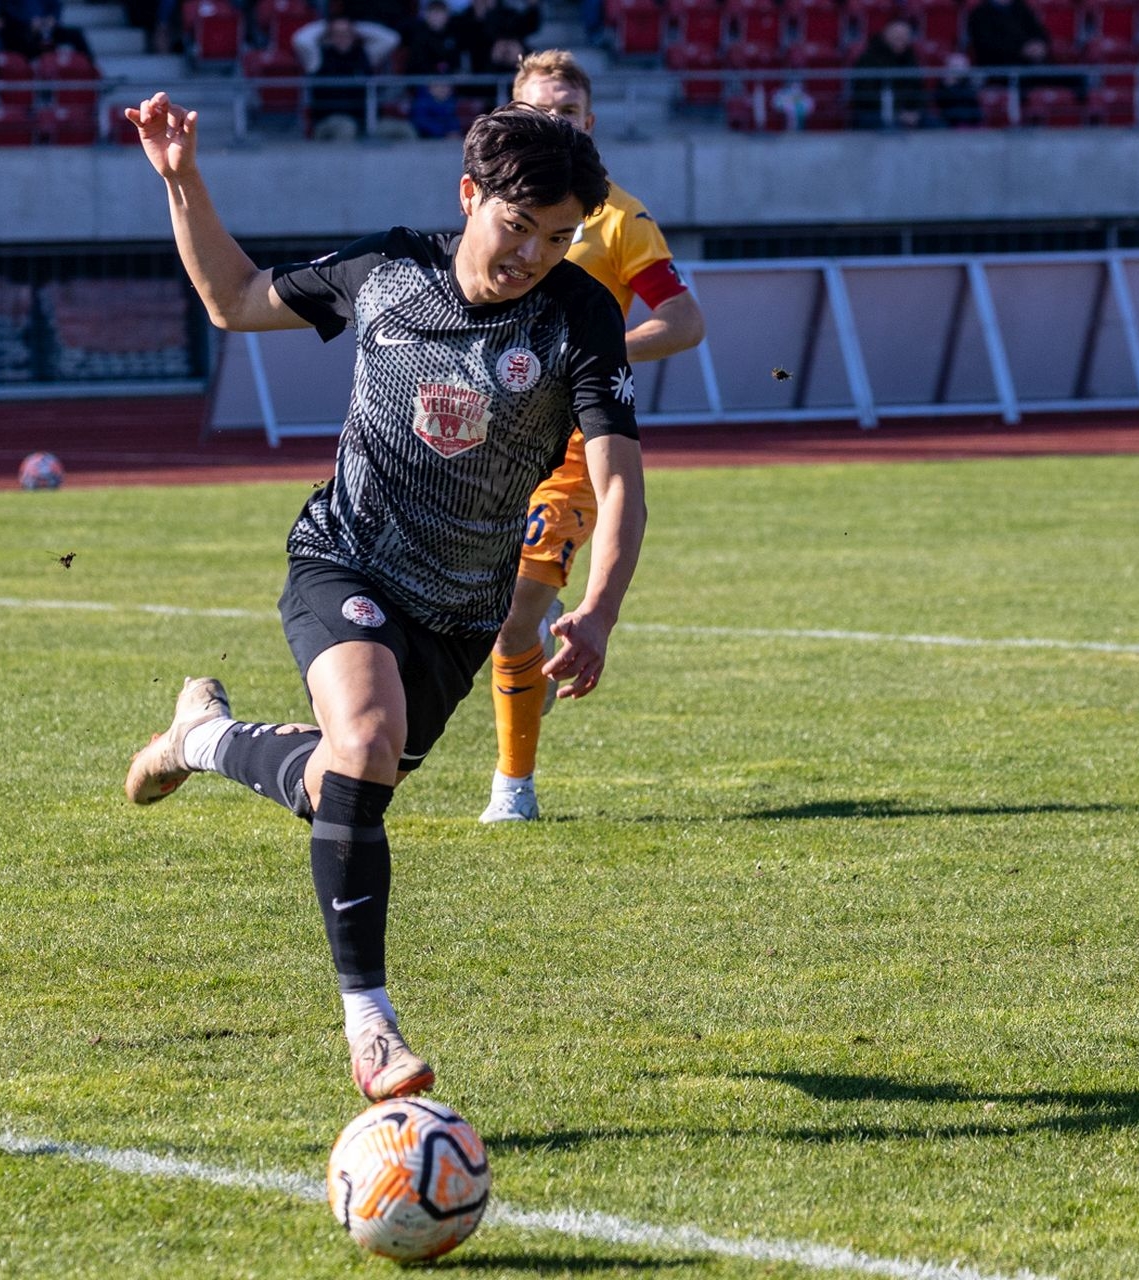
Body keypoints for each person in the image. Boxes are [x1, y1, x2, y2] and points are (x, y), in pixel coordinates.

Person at [121, 92, 645, 1100]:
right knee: (362, 742)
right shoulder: (389, 270)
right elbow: (233, 298)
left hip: (460, 615)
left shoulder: (580, 315)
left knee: (342, 785)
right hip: (345, 560)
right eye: (518, 227)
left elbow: (618, 479)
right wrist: (183, 181)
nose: (535, 252)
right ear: (469, 195)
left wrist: (602, 608)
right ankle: (372, 1026)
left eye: (560, 236)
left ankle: (201, 737)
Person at [478, 48, 705, 823]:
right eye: (540, 114)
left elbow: (683, 322)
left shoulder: (615, 217)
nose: (555, 126)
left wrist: (592, 354)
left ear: (589, 122)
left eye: (567, 116)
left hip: (574, 443)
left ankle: (514, 787)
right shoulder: (491, 208)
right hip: (480, 437)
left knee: (513, 618)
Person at [851, 17, 925, 129]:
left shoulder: (911, 58)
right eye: (897, 35)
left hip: (908, 113)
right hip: (874, 113)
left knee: (937, 126)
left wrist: (915, 112)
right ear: (885, 35)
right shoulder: (868, 59)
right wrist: (898, 114)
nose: (901, 38)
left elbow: (918, 91)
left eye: (905, 35)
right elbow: (866, 95)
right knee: (893, 129)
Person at [966, 0, 1049, 79]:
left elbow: (1040, 33)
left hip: (1028, 70)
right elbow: (985, 45)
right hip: (996, 72)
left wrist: (1039, 45)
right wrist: (1021, 50)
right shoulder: (980, 13)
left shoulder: (1022, 8)